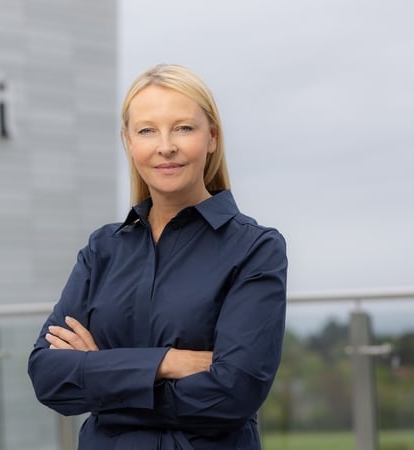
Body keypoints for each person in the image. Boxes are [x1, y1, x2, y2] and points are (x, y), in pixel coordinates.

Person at [27, 64, 288, 449]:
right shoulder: (103, 249)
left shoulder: (255, 248)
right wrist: (168, 362)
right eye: (147, 130)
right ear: (129, 142)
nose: (165, 146)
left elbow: (234, 393)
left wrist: (102, 376)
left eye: (183, 127)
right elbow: (47, 376)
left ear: (212, 137)